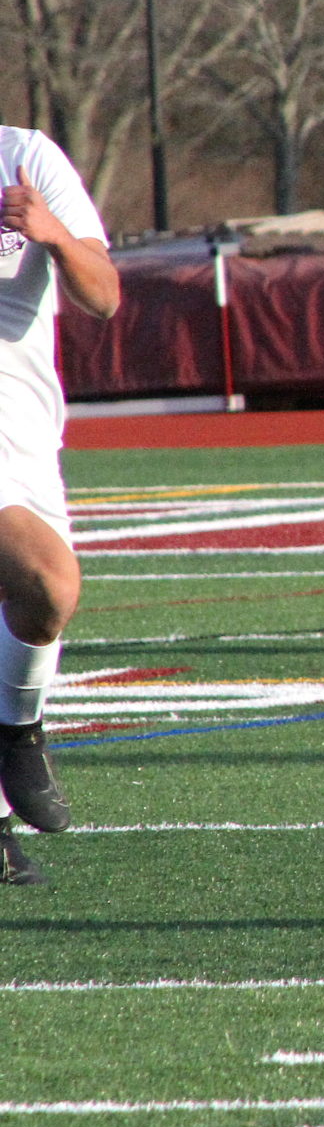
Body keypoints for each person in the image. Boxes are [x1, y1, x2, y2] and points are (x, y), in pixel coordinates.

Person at [0, 132, 120, 886]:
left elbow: (103, 294)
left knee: (37, 607)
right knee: (49, 580)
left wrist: (50, 233)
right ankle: (18, 730)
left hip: (26, 437)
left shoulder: (23, 154)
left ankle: (14, 731)